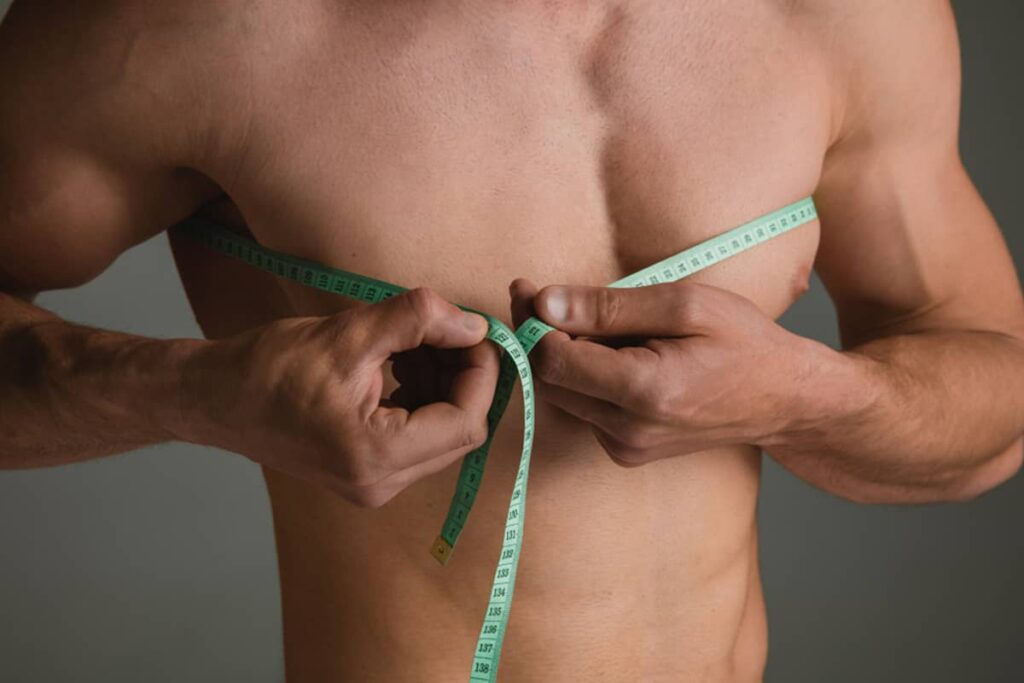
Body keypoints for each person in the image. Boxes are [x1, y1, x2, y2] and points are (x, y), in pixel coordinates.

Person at [1, 1, 1022, 681]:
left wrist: (808, 398)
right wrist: (192, 392)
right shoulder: (181, 25)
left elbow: (995, 411)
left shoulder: (845, 16)